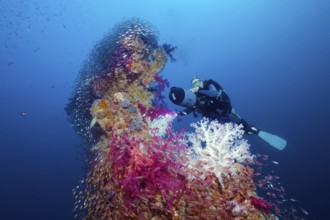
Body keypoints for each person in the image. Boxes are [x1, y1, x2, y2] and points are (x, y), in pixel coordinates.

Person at [170, 77, 259, 135]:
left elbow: (213, 93)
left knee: (239, 121)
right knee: (227, 131)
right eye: (193, 84)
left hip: (225, 109)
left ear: (201, 81)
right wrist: (181, 113)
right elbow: (191, 108)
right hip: (215, 116)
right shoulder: (197, 95)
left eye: (197, 82)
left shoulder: (209, 84)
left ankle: (250, 129)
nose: (195, 85)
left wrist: (199, 90)